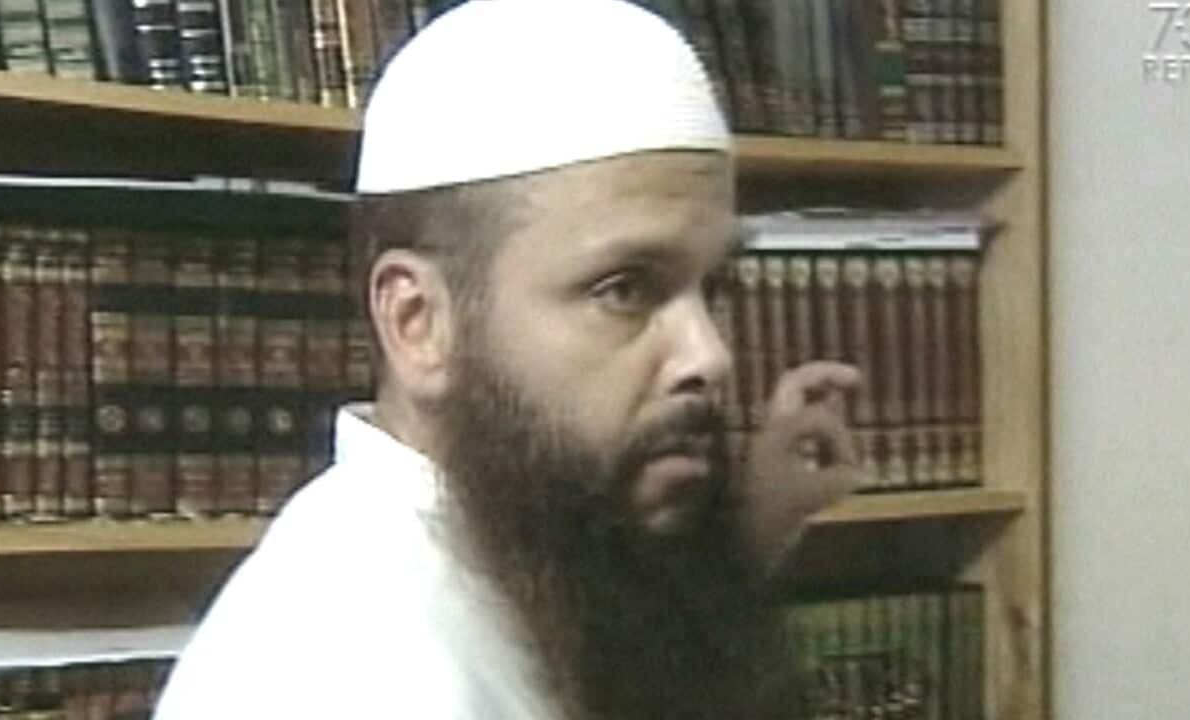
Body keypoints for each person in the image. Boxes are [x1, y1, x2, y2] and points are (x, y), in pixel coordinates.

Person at [152, 1, 862, 718]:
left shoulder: (518, 540)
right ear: (418, 322)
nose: (711, 355)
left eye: (714, 287)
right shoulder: (351, 675)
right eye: (624, 289)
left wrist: (751, 528)